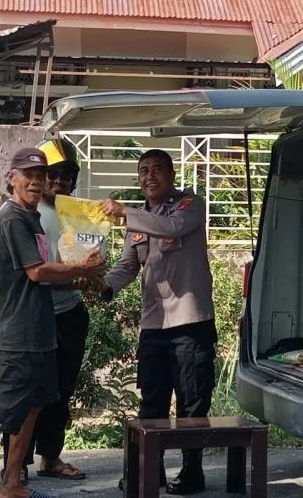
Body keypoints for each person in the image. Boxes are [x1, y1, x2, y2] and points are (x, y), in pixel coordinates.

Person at [0, 147, 105, 498]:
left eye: (42, 175)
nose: (38, 182)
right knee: (0, 412)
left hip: (43, 331)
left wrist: (78, 280)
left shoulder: (33, 217)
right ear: (11, 178)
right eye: (31, 175)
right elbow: (37, 272)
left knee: (35, 406)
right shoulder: (12, 217)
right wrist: (80, 268)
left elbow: (40, 278)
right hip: (21, 332)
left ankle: (12, 482)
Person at [99, 149, 217, 496]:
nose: (149, 177)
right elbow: (127, 266)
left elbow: (172, 227)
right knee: (151, 403)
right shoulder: (137, 221)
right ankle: (151, 472)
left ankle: (192, 473)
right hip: (154, 324)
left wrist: (125, 211)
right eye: (143, 171)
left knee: (192, 404)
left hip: (190, 321)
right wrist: (102, 285)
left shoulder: (189, 205)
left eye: (156, 170)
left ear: (171, 174)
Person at [0, 139, 90, 483]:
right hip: (31, 317)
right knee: (18, 398)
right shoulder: (21, 212)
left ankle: (50, 458)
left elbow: (82, 258)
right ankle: (15, 468)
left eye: (64, 176)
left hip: (68, 312)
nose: (56, 181)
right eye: (51, 175)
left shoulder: (77, 213)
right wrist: (29, 277)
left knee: (57, 392)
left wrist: (83, 276)